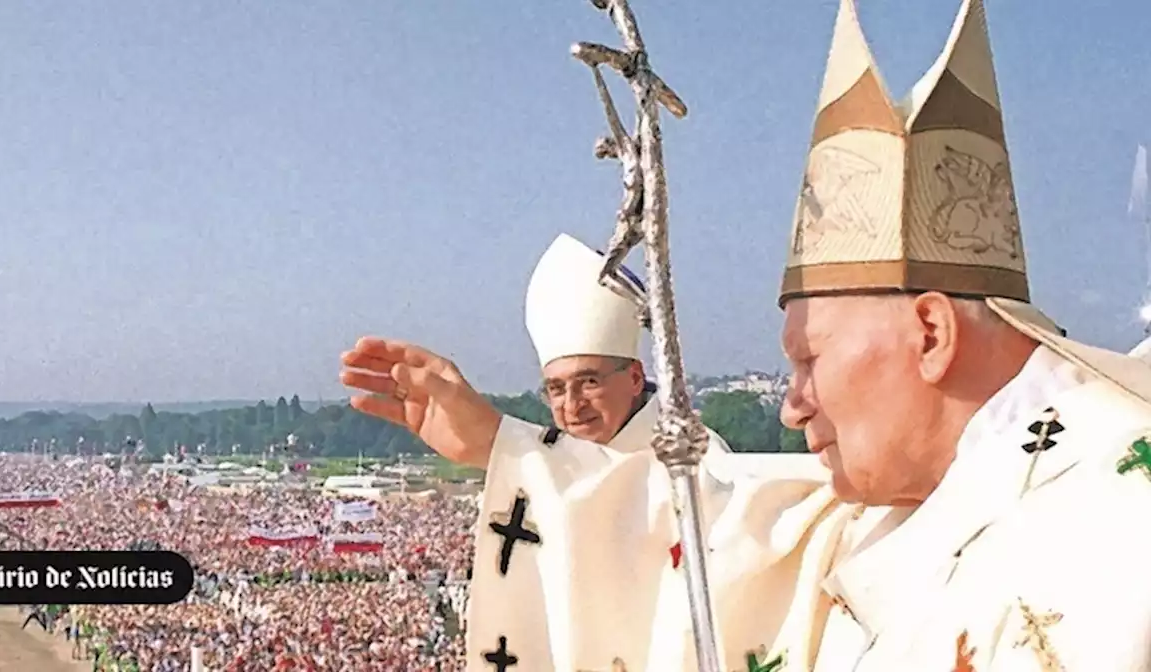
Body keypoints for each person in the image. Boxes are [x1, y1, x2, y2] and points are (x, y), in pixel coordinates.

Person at [343, 0, 1151, 669]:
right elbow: (709, 525)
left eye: (809, 358)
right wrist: (500, 445)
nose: (793, 406)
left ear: (931, 332)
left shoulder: (1117, 524)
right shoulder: (920, 498)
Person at [341, 233, 820, 669]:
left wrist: (502, 445)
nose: (571, 407)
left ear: (634, 377)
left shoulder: (690, 457)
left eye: (588, 382)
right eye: (555, 389)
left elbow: (676, 520)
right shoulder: (557, 461)